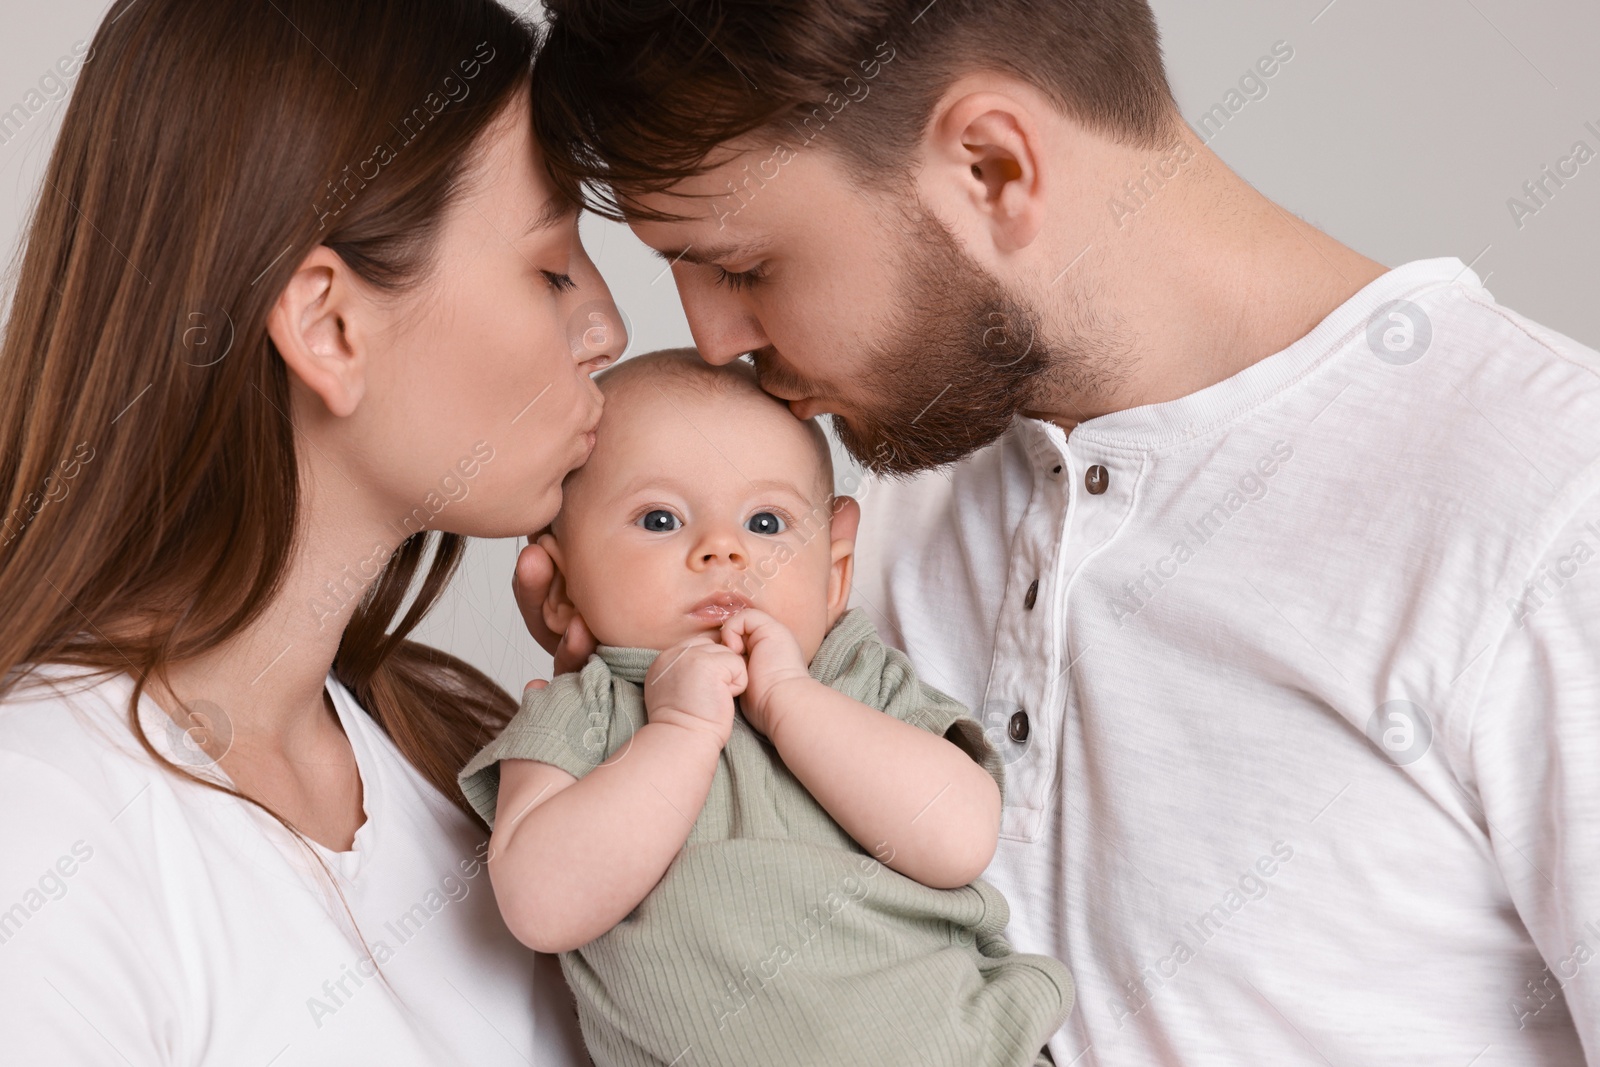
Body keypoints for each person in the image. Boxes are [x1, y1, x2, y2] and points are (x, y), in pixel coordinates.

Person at [512, 0, 1600, 1063]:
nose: (713, 344)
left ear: (992, 168)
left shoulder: (1554, 502)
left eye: (746, 267)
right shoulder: (868, 485)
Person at [0, 1, 622, 1062]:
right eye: (553, 268)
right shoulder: (40, 829)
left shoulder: (462, 751)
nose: (606, 327)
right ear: (330, 325)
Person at [459, 350, 1074, 1067]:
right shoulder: (587, 712)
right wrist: (680, 731)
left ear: (835, 573)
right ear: (560, 586)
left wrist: (791, 701)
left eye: (766, 521)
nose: (722, 549)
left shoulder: (852, 676)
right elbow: (541, 904)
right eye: (659, 518)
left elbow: (962, 837)